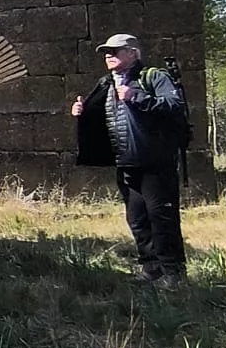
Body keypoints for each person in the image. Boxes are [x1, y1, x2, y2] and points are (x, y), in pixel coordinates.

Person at [74, 33, 190, 286]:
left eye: (115, 51)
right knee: (137, 220)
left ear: (133, 53)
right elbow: (100, 118)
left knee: (162, 219)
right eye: (106, 52)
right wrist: (81, 112)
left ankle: (173, 274)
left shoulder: (153, 77)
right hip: (125, 163)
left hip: (156, 163)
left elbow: (173, 106)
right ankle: (151, 270)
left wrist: (136, 97)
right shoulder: (105, 83)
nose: (108, 55)